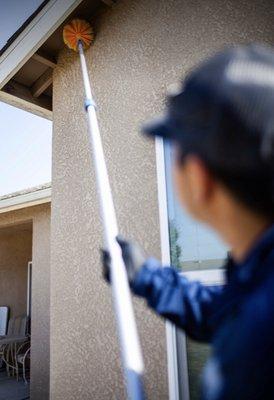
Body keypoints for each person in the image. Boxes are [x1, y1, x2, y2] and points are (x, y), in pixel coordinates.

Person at [103, 44, 274, 399]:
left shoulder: (256, 350)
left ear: (198, 178)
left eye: (174, 150)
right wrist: (145, 276)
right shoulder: (257, 281)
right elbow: (221, 312)